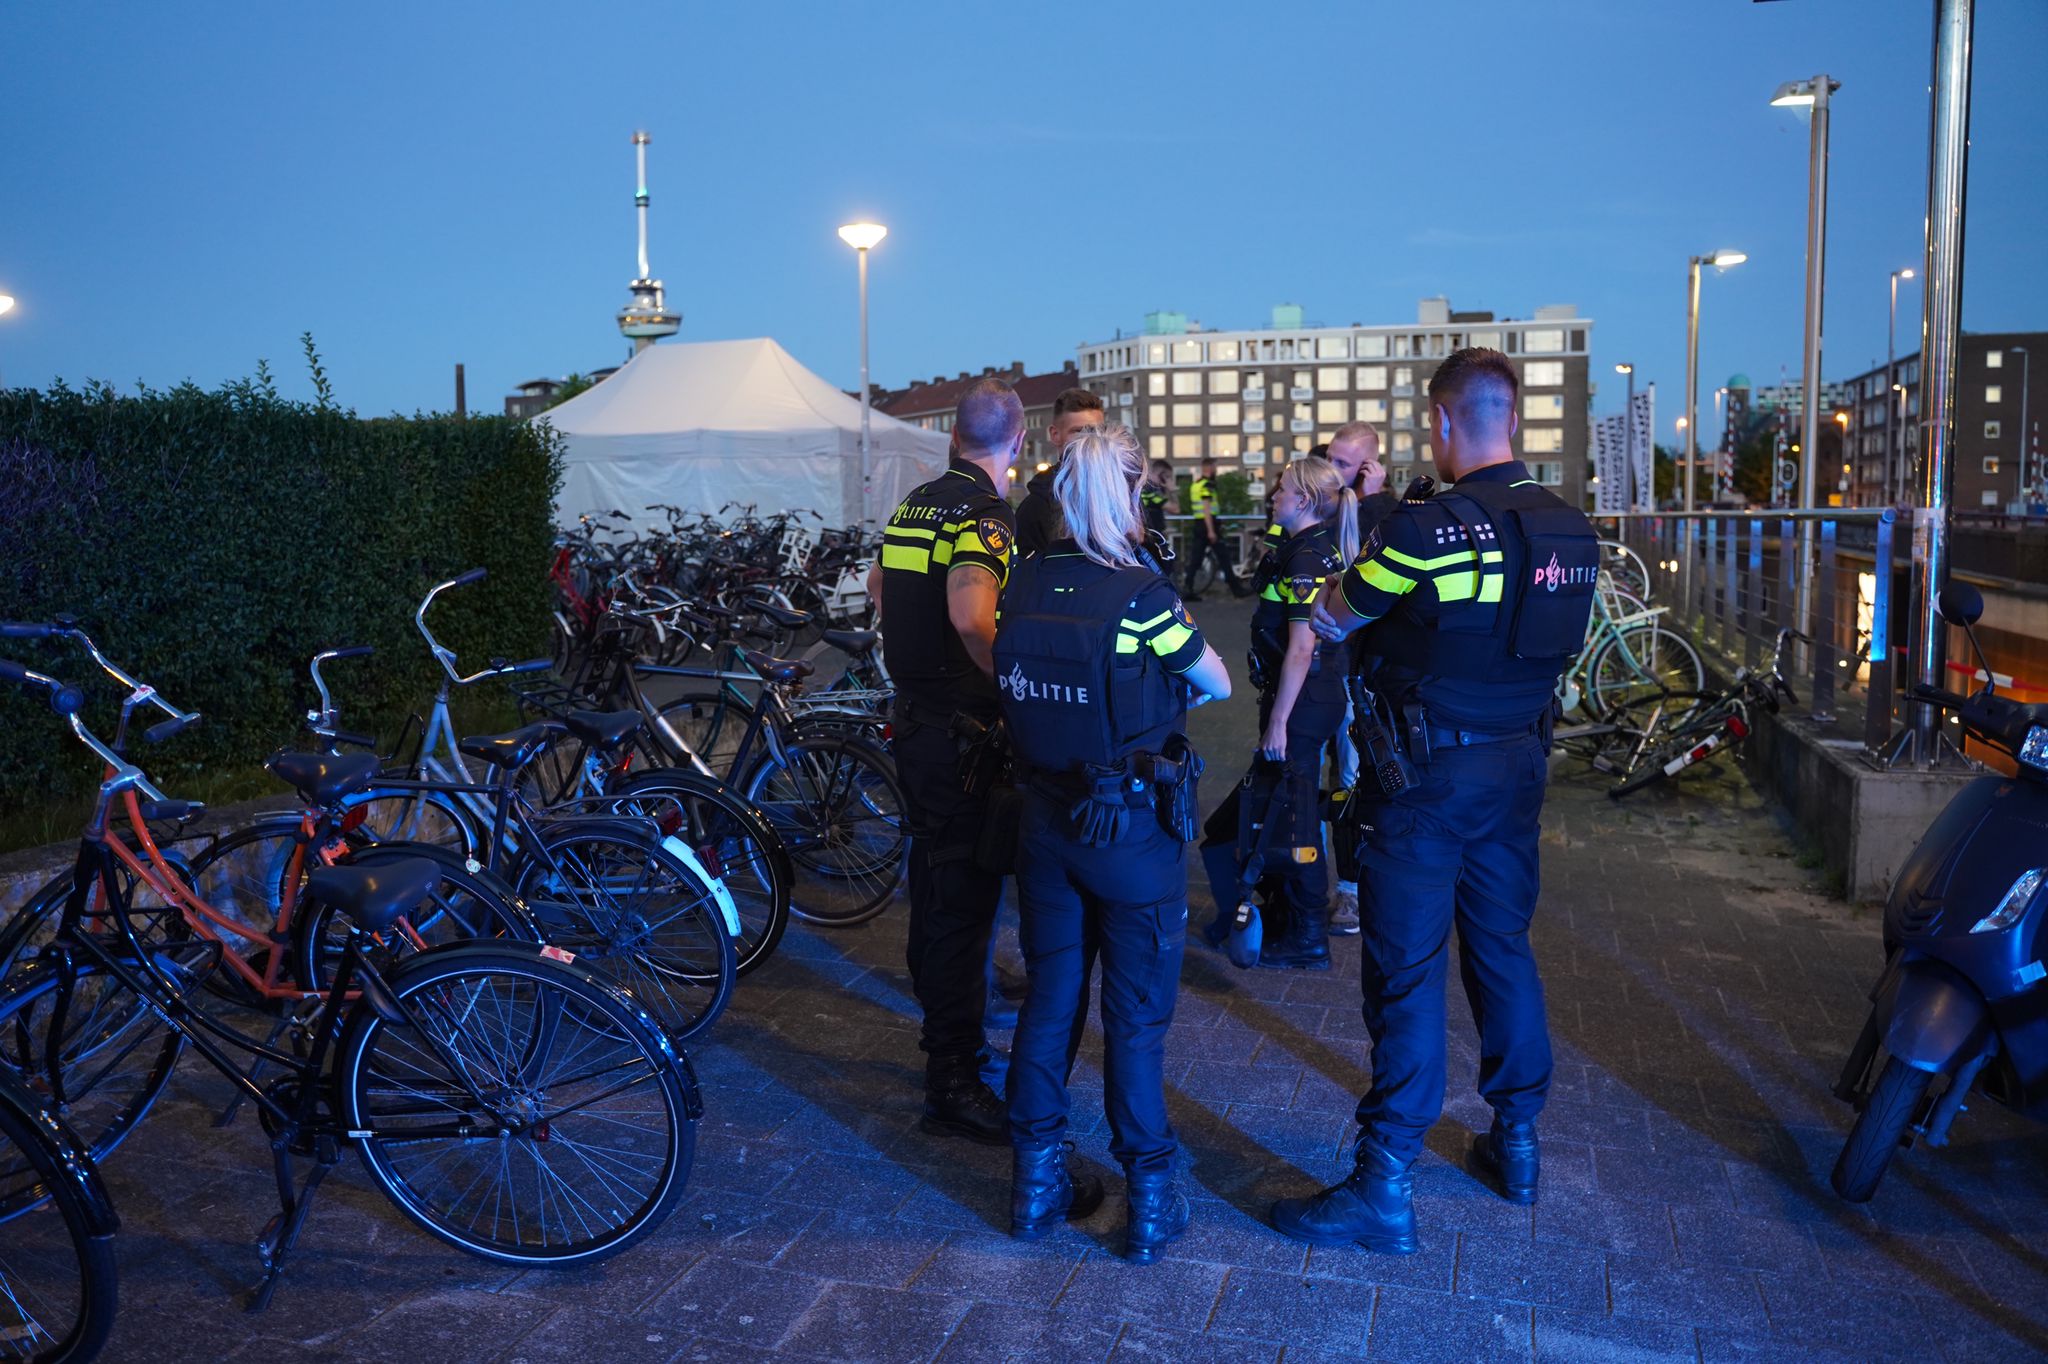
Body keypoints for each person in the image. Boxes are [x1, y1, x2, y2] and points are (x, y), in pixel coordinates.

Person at [1271, 348, 1598, 1253]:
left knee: (1407, 972)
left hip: (1422, 780)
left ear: (1446, 423)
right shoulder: (1573, 530)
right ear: (1515, 418)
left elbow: (1337, 615)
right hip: (1518, 767)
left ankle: (1384, 1185)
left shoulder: (1428, 528)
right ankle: (1519, 1143)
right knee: (1502, 947)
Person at [994, 428, 1231, 1263]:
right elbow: (1216, 681)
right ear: (1127, 495)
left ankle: (1034, 1185)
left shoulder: (1022, 583)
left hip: (1047, 824)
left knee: (1052, 1000)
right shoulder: (1142, 595)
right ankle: (1152, 1199)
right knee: (1134, 1023)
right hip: (1131, 831)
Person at [870, 377, 1027, 1145]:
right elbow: (972, 613)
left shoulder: (916, 503)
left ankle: (943, 1043)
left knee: (932, 882)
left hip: (917, 722)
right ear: (1017, 444)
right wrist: (1016, 687)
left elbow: (878, 584)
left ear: (951, 437)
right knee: (963, 902)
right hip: (964, 732)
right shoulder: (986, 514)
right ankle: (955, 1079)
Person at [1198, 457, 1357, 970]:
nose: (1273, 497)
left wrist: (1279, 723)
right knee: (1280, 809)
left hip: (1303, 701)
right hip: (1307, 698)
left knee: (1297, 818)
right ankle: (1283, 918)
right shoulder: (1302, 549)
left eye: (1282, 490)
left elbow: (1301, 650)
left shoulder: (1307, 558)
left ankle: (1308, 936)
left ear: (1305, 501)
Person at [1319, 422, 1396, 936]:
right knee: (1325, 777)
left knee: (1350, 778)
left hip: (1355, 674)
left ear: (1368, 468)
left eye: (1343, 465)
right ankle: (1320, 882)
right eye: (1329, 458)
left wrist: (1375, 500)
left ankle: (1350, 891)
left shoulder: (1384, 515)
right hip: (1317, 668)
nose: (1332, 472)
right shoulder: (1322, 503)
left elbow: (1378, 568)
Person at [1016, 388, 1108, 558]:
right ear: (1055, 435)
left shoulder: (1122, 495)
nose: (1089, 439)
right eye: (1079, 431)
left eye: (1096, 431)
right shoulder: (1036, 507)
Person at [1182, 459, 1249, 600]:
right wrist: (1211, 530)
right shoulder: (1207, 484)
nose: (1216, 470)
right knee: (1224, 557)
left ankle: (1187, 589)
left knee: (1196, 559)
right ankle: (1236, 589)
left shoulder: (1196, 484)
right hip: (1208, 525)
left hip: (1199, 524)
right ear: (1209, 467)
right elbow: (1206, 507)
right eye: (1214, 467)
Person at [1138, 459, 1177, 543]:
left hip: (1148, 534)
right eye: (1168, 477)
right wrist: (1172, 491)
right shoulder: (1151, 491)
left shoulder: (1145, 487)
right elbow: (1175, 509)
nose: (1169, 480)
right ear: (1161, 475)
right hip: (1153, 535)